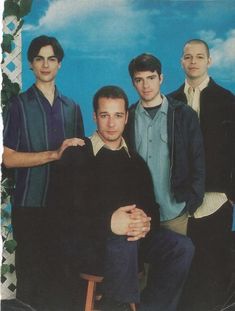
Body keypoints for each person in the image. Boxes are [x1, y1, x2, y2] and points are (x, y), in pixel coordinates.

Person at [47, 85, 195, 311]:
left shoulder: (135, 162)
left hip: (132, 242)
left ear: (126, 117)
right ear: (94, 117)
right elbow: (62, 215)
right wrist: (108, 222)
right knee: (122, 242)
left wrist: (145, 223)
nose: (111, 123)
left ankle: (150, 308)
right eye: (104, 115)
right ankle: (117, 307)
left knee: (181, 247)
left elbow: (152, 209)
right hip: (89, 243)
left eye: (118, 115)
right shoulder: (76, 155)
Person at [2, 35, 84, 311]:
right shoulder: (18, 106)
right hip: (30, 205)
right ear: (31, 64)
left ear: (59, 64)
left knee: (63, 279)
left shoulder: (72, 107)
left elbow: (79, 161)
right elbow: (8, 159)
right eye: (39, 59)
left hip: (65, 209)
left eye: (51, 59)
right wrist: (53, 154)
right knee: (32, 283)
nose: (45, 65)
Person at [169, 38, 235, 311]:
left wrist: (232, 193)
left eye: (199, 56)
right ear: (181, 62)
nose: (193, 61)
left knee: (212, 268)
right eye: (188, 57)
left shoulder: (227, 100)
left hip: (216, 198)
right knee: (183, 269)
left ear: (209, 61)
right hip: (180, 202)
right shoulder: (169, 102)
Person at [124, 53, 205, 236]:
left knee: (177, 262)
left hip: (175, 214)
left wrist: (190, 204)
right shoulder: (127, 118)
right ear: (133, 83)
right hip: (139, 215)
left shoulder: (184, 115)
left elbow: (198, 161)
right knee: (141, 264)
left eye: (151, 78)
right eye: (139, 80)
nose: (146, 85)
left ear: (161, 78)